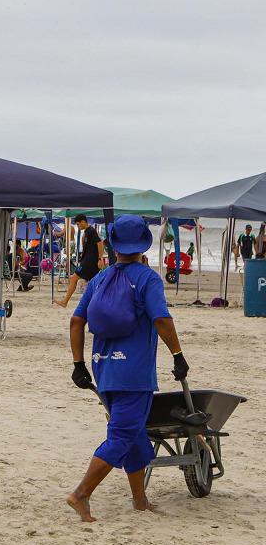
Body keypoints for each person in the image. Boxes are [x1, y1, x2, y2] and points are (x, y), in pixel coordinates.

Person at [65, 215, 187, 522]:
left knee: (134, 436)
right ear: (143, 244)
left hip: (103, 370)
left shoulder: (99, 279)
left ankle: (140, 500)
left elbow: (77, 321)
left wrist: (79, 364)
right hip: (134, 373)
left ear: (112, 245)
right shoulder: (148, 278)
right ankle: (80, 494)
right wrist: (178, 354)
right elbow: (161, 319)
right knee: (122, 435)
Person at [55, 215, 105, 308]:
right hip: (88, 261)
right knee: (95, 283)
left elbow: (100, 243)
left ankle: (65, 301)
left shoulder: (91, 231)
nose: (77, 226)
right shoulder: (87, 232)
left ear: (83, 221)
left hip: (89, 262)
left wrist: (100, 258)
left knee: (73, 279)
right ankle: (99, 302)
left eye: (78, 224)